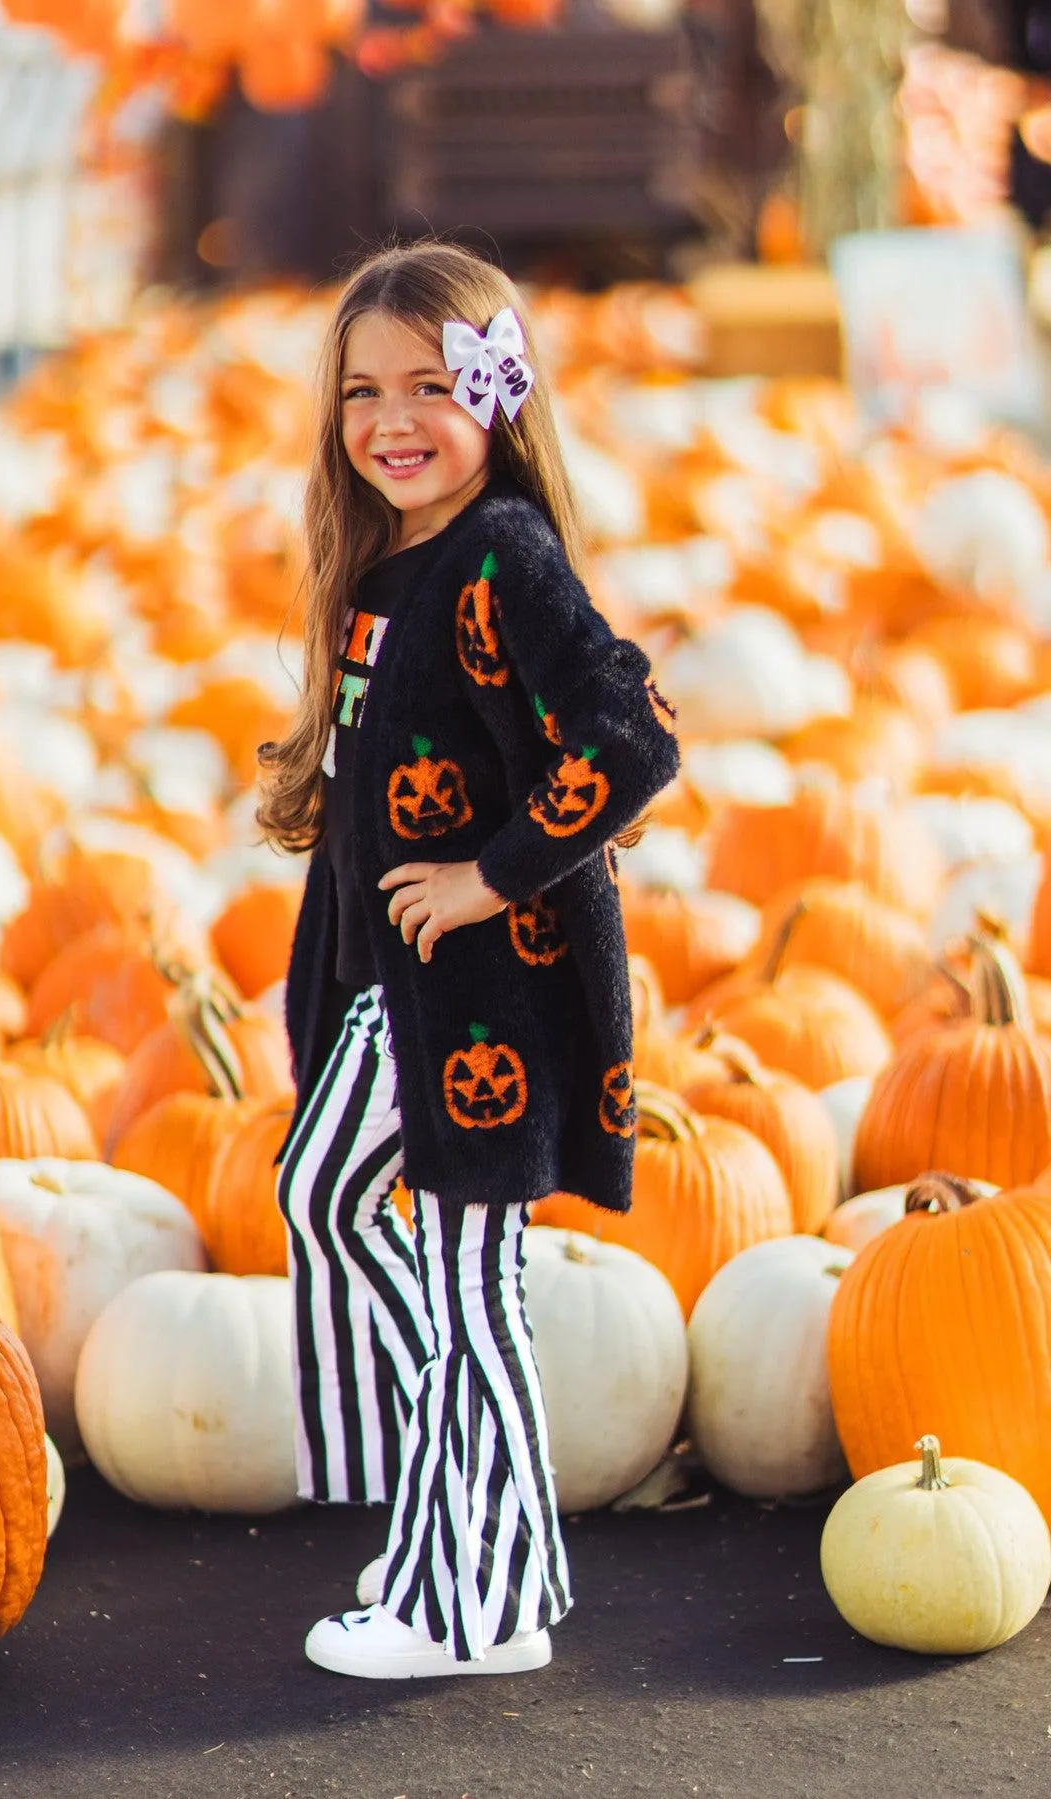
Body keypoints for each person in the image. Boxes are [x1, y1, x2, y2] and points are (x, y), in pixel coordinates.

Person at [256, 240, 680, 1680]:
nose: (393, 418)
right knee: (325, 1194)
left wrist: (494, 877)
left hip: (484, 1002)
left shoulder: (504, 553)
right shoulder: (386, 568)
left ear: (498, 398)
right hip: (398, 992)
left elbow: (629, 741)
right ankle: (469, 1519)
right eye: (364, 388)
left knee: (468, 1280)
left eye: (432, 385)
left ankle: (471, 1599)